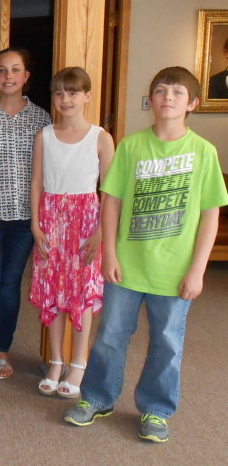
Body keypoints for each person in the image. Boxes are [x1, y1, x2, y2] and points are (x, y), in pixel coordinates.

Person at [64, 66, 228, 443]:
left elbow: (209, 216)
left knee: (168, 342)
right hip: (127, 266)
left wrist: (198, 270)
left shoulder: (203, 152)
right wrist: (109, 252)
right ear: (151, 99)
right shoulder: (132, 146)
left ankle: (156, 409)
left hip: (174, 271)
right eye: (160, 90)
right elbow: (112, 203)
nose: (168, 97)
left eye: (177, 92)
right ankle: (97, 398)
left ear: (192, 104)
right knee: (110, 336)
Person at [31, 67, 114, 398]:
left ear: (87, 96)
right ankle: (56, 359)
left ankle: (78, 363)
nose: (66, 99)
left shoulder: (101, 137)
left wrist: (100, 233)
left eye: (73, 92)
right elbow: (37, 182)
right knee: (53, 291)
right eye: (59, 93)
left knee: (79, 293)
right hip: (51, 219)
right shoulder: (45, 136)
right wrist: (35, 224)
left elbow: (110, 189)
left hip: (86, 222)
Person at [0, 48, 51, 380]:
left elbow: (49, 171)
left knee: (10, 284)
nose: (8, 76)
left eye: (15, 70)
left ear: (25, 76)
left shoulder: (42, 119)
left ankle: (2, 349)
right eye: (2, 70)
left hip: (24, 218)